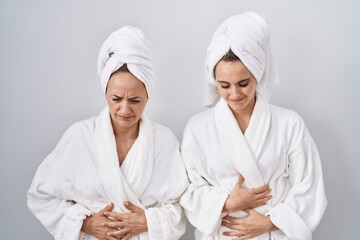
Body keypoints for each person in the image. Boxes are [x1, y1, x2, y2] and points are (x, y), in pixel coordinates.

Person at [27, 26, 189, 240]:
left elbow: (181, 206)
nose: (125, 109)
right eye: (116, 99)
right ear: (105, 94)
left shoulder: (164, 142)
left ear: (148, 97)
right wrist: (85, 224)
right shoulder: (79, 136)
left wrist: (149, 221)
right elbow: (41, 196)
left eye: (135, 101)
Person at [180, 12, 327, 240]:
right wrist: (227, 203)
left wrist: (269, 223)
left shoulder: (289, 123)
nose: (235, 94)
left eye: (243, 83)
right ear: (214, 81)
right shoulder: (197, 128)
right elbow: (188, 190)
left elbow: (309, 186)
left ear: (258, 75)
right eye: (224, 85)